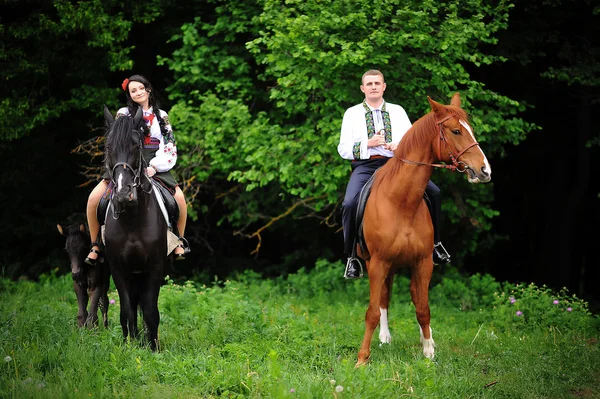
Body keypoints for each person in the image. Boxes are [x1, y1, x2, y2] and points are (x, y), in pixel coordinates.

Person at [338, 69, 450, 279]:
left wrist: (398, 146)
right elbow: (343, 149)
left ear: (384, 87)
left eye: (377, 83)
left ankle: (436, 245)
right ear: (363, 88)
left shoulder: (398, 111)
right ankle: (352, 257)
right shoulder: (351, 114)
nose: (373, 87)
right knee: (350, 203)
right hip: (366, 165)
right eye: (369, 84)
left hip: (396, 164)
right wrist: (368, 144)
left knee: (434, 193)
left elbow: (412, 142)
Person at [85, 74, 190, 264]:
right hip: (125, 160)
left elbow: (169, 146)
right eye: (133, 90)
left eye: (141, 88)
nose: (138, 92)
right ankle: (95, 243)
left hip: (155, 162)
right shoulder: (123, 113)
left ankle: (179, 241)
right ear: (130, 95)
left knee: (180, 198)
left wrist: (155, 167)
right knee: (93, 198)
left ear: (148, 89)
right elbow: (116, 142)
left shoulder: (162, 116)